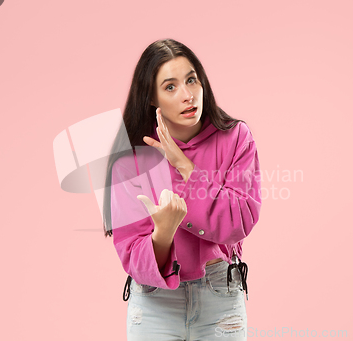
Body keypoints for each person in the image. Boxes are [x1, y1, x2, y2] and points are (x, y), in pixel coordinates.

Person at [102, 38, 262, 340]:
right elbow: (132, 254)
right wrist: (162, 234)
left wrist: (184, 168)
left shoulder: (236, 138)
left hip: (220, 296)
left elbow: (240, 220)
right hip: (154, 305)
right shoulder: (130, 158)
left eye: (191, 80)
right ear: (152, 98)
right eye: (171, 87)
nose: (188, 95)